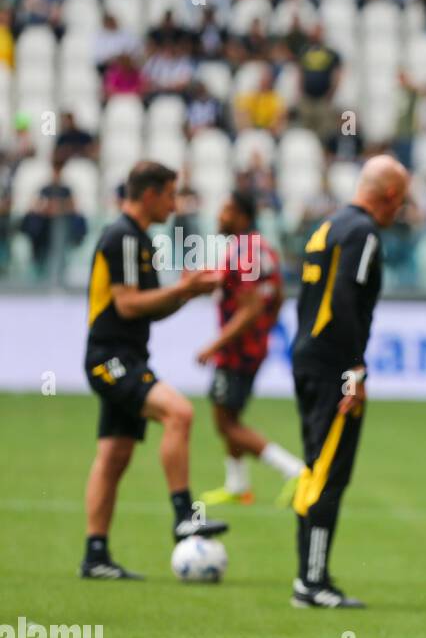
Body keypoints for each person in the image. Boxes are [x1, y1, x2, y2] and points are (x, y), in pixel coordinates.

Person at [80, 161, 229, 580]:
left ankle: (95, 556)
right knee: (179, 413)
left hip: (127, 357)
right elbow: (126, 305)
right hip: (110, 359)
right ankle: (184, 515)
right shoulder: (122, 237)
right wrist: (183, 289)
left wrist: (186, 292)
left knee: (113, 456)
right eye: (169, 194)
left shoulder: (140, 240)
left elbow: (150, 309)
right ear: (149, 195)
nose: (173, 203)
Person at [290, 154, 411, 608]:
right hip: (333, 366)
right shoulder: (363, 233)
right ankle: (312, 582)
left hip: (308, 357)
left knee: (315, 466)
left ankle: (309, 576)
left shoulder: (329, 226)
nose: (401, 211)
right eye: (401, 201)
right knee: (330, 473)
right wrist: (355, 368)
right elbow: (343, 298)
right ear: (390, 197)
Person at [197, 191, 305, 508]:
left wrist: (213, 345)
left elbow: (250, 307)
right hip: (252, 346)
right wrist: (264, 331)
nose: (220, 216)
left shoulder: (244, 251)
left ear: (242, 216)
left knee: (225, 422)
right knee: (230, 414)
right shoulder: (262, 248)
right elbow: (277, 296)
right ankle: (238, 485)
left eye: (227, 210)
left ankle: (295, 471)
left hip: (236, 350)